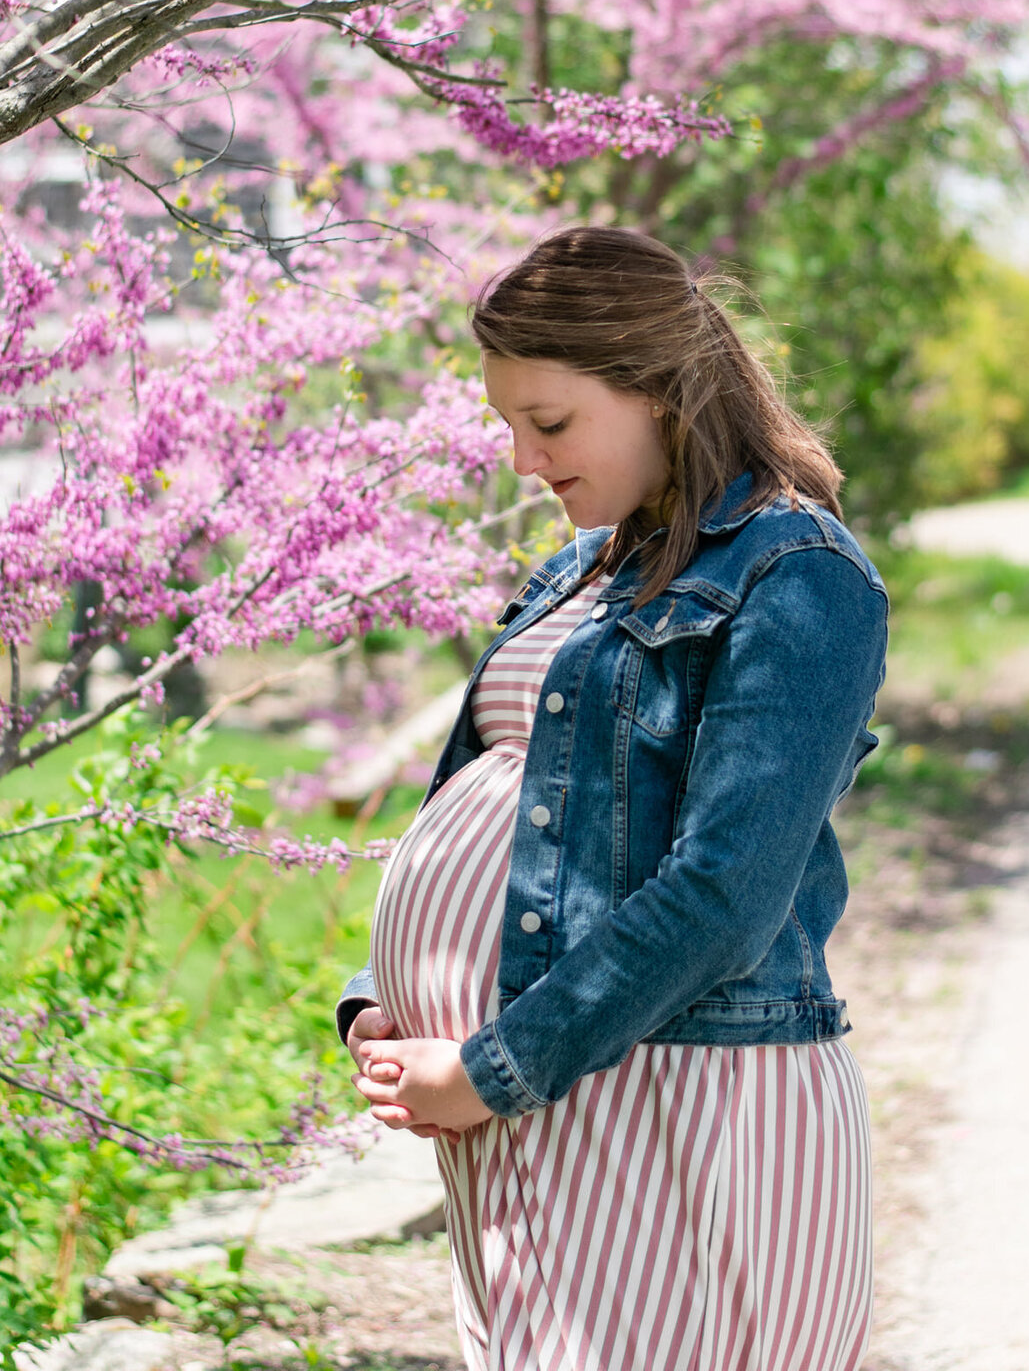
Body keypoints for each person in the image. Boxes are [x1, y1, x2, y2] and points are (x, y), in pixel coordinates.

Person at [338, 227, 888, 1371]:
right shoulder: (576, 574)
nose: (525, 463)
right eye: (508, 427)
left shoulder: (800, 578)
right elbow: (481, 799)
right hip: (533, 1105)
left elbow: (728, 892)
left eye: (550, 423)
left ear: (663, 395)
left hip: (683, 1103)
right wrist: (379, 1009)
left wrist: (490, 1068)